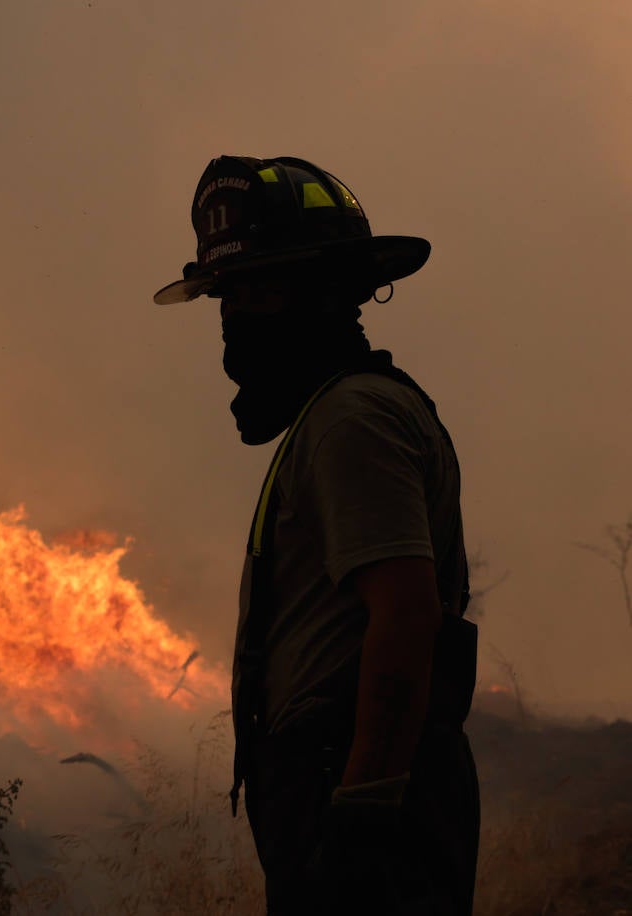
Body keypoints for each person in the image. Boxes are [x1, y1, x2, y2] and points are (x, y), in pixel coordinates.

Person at [153, 156, 481, 914]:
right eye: (226, 297)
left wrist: (364, 808)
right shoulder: (334, 418)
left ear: (317, 290)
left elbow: (405, 616)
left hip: (367, 797)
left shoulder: (350, 421)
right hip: (345, 787)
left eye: (250, 291)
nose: (234, 318)